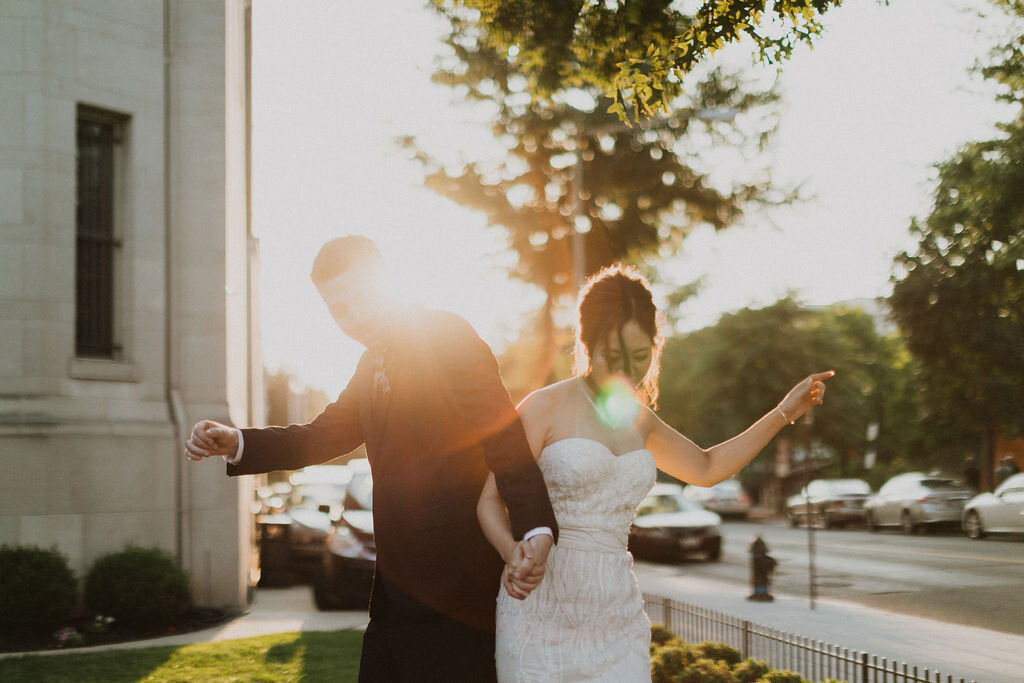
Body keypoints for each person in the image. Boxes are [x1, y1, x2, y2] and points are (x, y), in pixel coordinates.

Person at [184, 236, 559, 682]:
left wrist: (535, 526)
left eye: (361, 297)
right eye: (339, 309)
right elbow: (320, 437)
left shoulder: (447, 335)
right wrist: (237, 442)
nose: (354, 317)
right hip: (394, 598)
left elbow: (503, 437)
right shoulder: (369, 365)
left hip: (458, 594)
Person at [478, 265, 834, 681]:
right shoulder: (543, 407)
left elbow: (706, 467)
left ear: (656, 346)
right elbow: (489, 499)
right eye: (614, 355)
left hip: (617, 614)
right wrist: (510, 550)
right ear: (587, 342)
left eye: (641, 355)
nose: (628, 369)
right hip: (540, 610)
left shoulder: (641, 421)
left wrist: (783, 413)